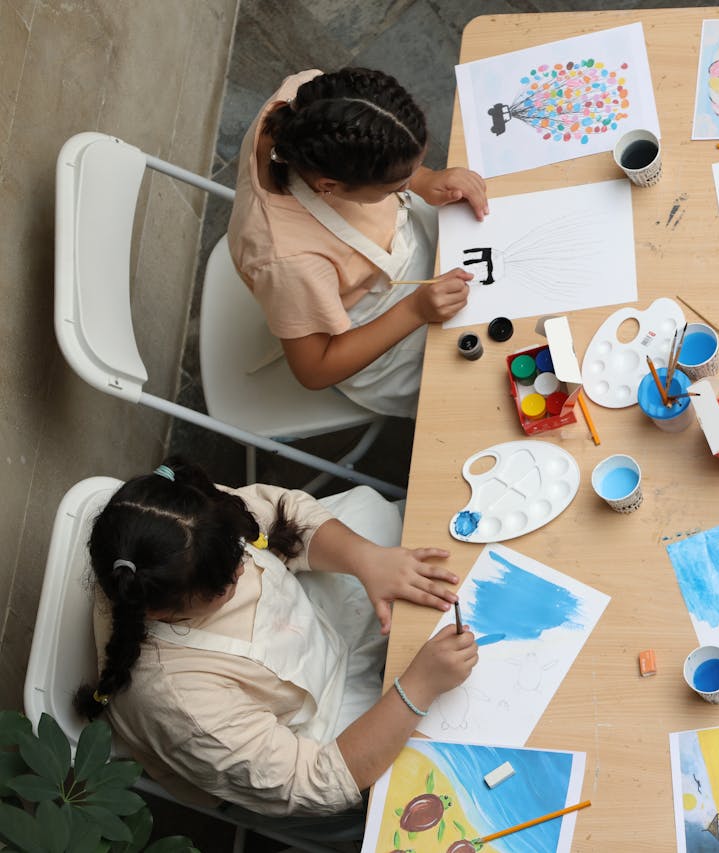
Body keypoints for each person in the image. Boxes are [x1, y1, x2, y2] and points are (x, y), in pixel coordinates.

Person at [76, 458, 478, 836]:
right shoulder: (178, 702)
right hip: (312, 724)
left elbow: (284, 516)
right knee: (436, 764)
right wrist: (417, 689)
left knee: (384, 521)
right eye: (228, 583)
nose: (245, 565)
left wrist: (367, 559)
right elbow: (314, 782)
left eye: (240, 553)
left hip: (311, 625)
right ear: (162, 614)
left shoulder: (185, 522)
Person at [228, 67, 489, 419]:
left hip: (407, 251)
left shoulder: (307, 99)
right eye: (396, 183)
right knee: (482, 388)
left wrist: (426, 180)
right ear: (328, 186)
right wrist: (415, 311)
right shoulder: (288, 259)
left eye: (413, 169)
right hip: (377, 330)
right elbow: (315, 370)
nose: (407, 182)